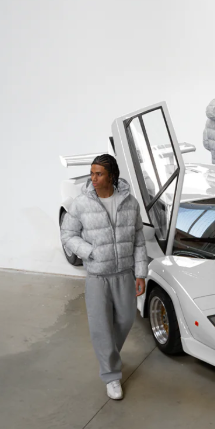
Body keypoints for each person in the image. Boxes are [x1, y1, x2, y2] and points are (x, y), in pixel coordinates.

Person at [59, 154, 147, 400]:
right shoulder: (81, 204)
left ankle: (109, 356)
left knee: (126, 319)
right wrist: (90, 252)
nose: (93, 178)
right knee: (101, 327)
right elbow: (68, 235)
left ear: (112, 176)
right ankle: (111, 376)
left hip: (124, 273)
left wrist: (141, 273)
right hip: (97, 276)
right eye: (92, 173)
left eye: (99, 174)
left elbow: (139, 240)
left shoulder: (130, 202)